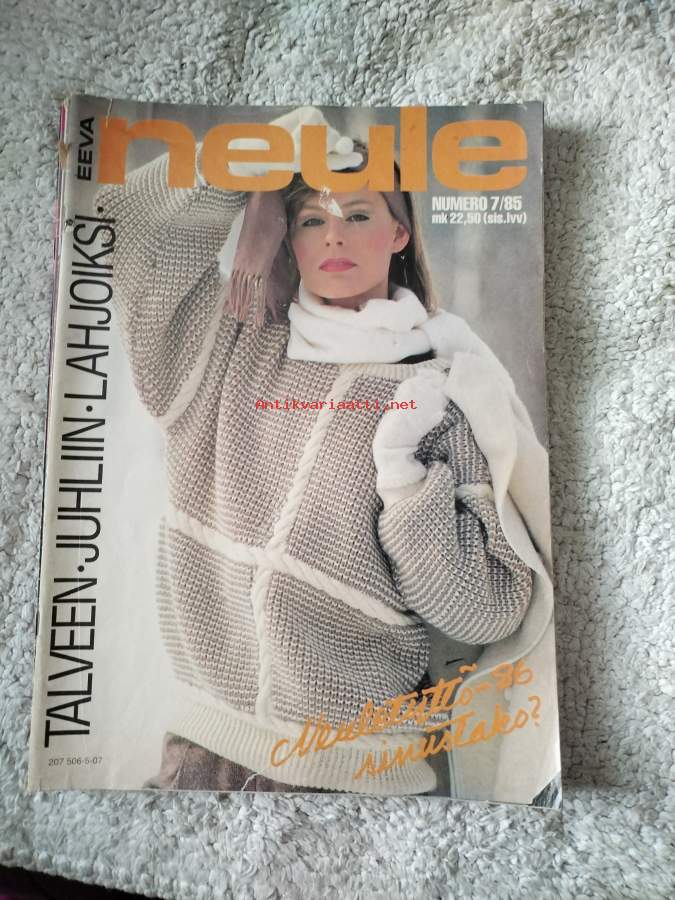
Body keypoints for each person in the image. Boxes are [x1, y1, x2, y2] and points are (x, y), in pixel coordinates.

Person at [96, 106, 543, 797]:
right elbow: (123, 234)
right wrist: (260, 175)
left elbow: (484, 609)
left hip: (358, 780)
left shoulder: (440, 394)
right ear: (287, 236)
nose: (334, 233)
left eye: (358, 215)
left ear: (399, 233)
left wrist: (403, 478)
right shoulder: (231, 348)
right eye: (311, 219)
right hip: (203, 760)